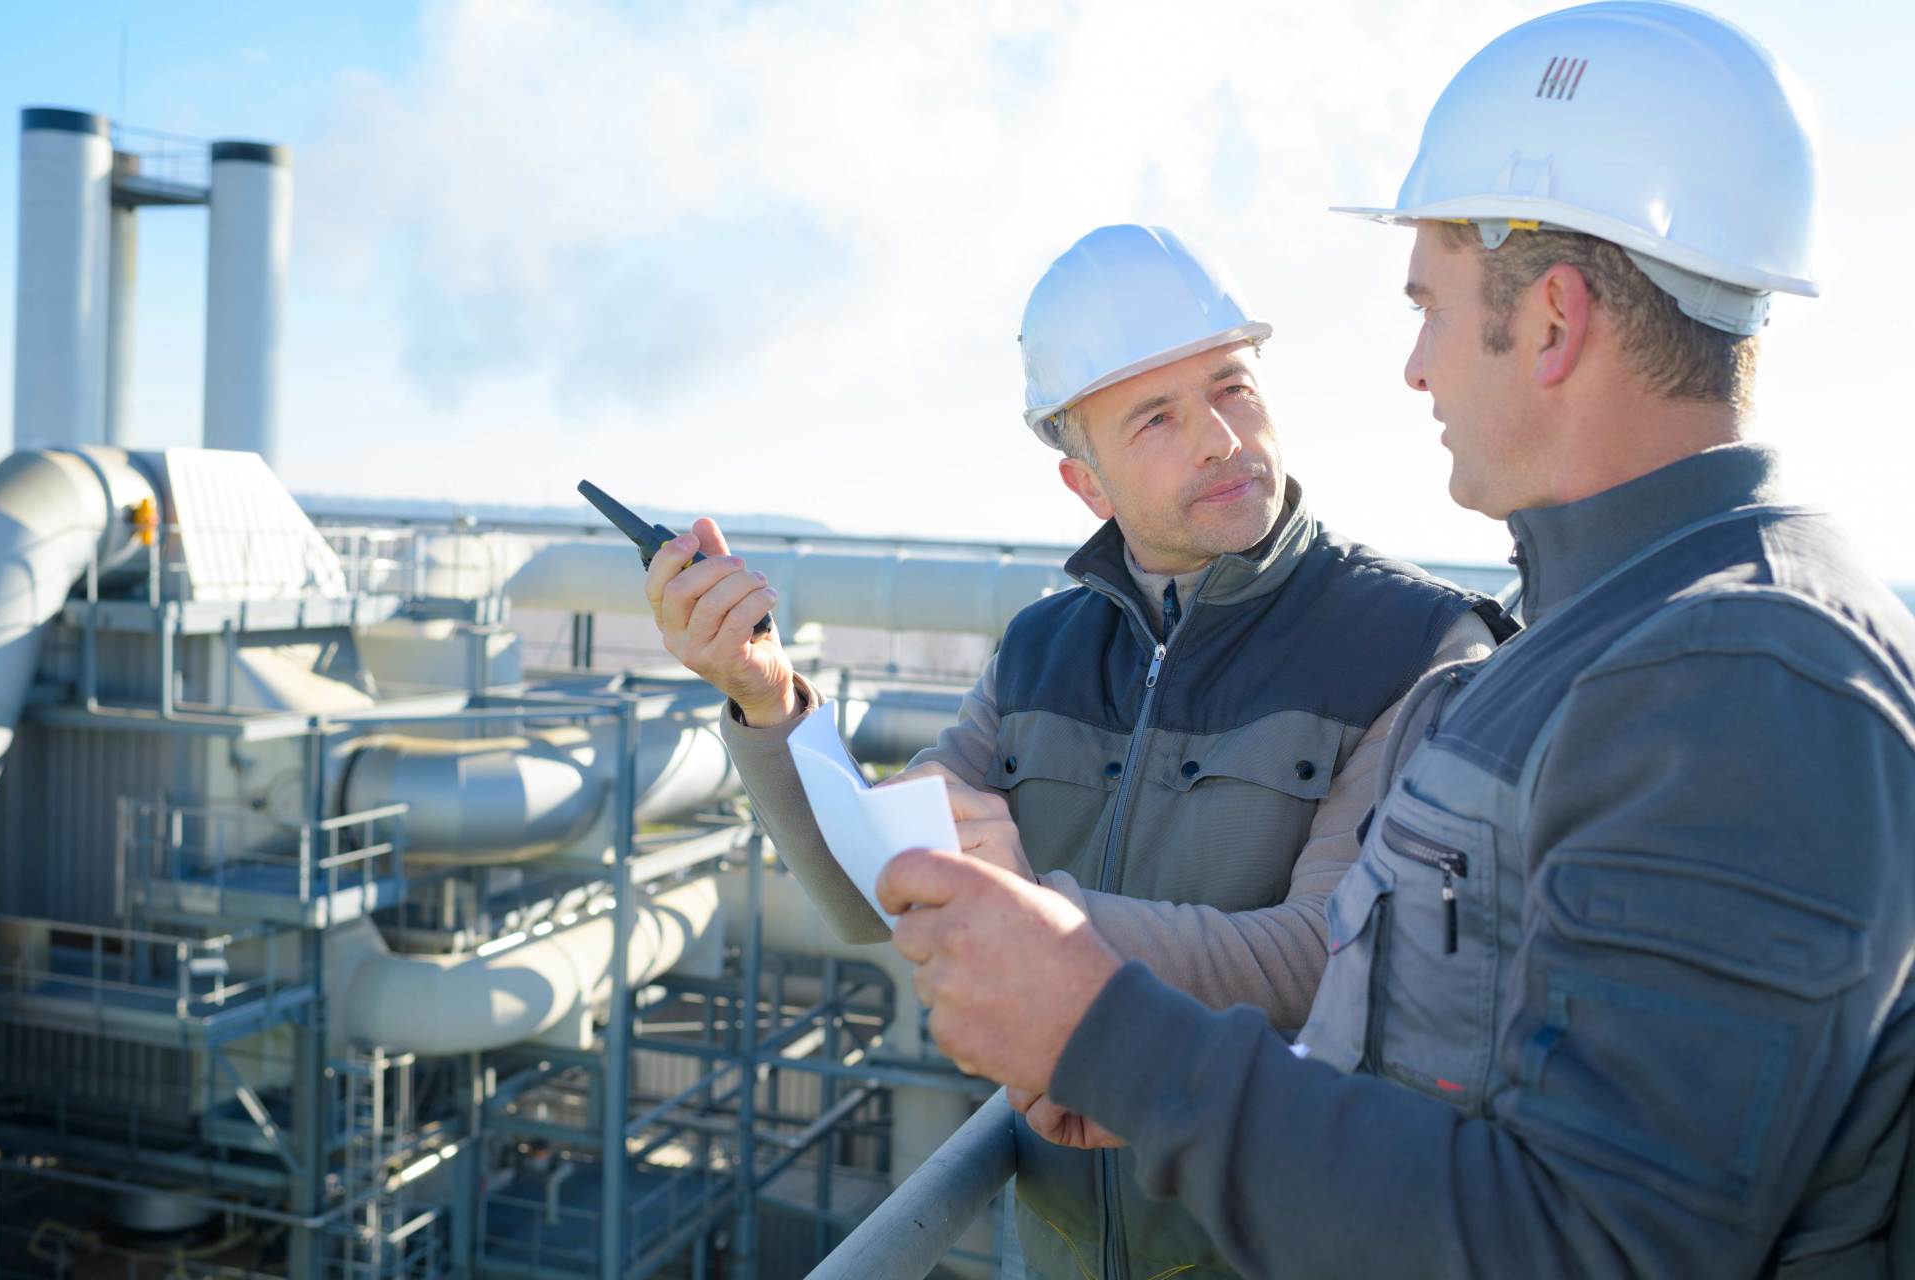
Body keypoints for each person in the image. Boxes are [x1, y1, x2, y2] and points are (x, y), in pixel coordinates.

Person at [876, 3, 1915, 1275]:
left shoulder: (1741, 673)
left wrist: (1117, 1036)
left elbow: (1593, 1244)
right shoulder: (1610, 637)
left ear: (1552, 320)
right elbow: (1443, 1069)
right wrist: (1161, 1086)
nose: (1415, 366)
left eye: (1429, 304)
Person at [644, 224, 1507, 1278]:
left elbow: (1323, 959)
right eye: (1157, 417)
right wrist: (765, 696)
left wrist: (1031, 924)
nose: (1220, 439)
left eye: (1233, 387)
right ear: (1085, 484)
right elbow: (876, 892)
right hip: (1058, 1250)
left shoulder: (1414, 644)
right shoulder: (1039, 651)